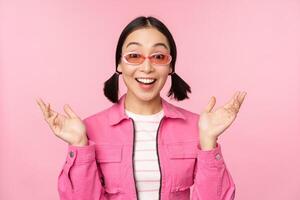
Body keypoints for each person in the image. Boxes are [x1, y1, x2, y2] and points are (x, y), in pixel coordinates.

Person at [36, 16, 246, 200]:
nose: (146, 67)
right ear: (119, 64)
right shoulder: (89, 129)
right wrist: (80, 145)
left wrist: (208, 142)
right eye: (134, 56)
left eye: (158, 57)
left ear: (170, 66)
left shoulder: (197, 127)